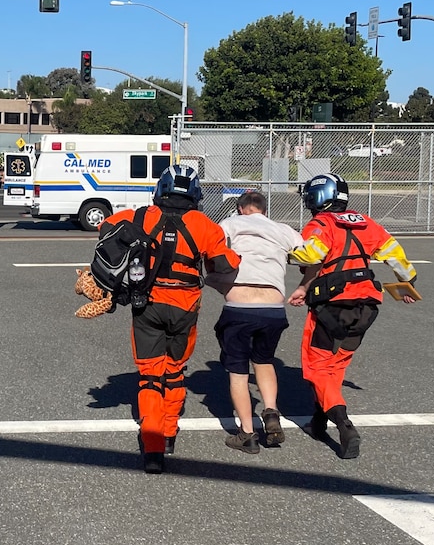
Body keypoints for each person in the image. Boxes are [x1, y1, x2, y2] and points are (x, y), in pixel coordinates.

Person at [100, 163, 240, 474]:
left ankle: (152, 447)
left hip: (146, 303)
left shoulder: (139, 216)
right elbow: (224, 265)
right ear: (194, 194)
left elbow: (106, 228)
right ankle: (168, 432)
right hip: (185, 308)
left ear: (160, 189)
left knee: (150, 375)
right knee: (174, 372)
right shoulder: (205, 225)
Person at [287, 173, 418, 460]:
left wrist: (282, 248)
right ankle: (319, 421)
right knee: (337, 365)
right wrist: (408, 281)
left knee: (316, 368)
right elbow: (395, 254)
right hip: (366, 306)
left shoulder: (321, 223)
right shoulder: (366, 222)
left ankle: (344, 425)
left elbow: (310, 256)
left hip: (331, 306)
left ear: (319, 197)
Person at [216, 190, 303, 454]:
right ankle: (271, 410)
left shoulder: (230, 224)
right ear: (264, 209)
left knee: (238, 372)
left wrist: (217, 281)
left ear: (241, 208)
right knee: (264, 360)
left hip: (239, 305)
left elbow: (211, 250)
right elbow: (311, 258)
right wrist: (304, 286)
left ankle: (247, 432)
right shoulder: (282, 229)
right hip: (273, 307)